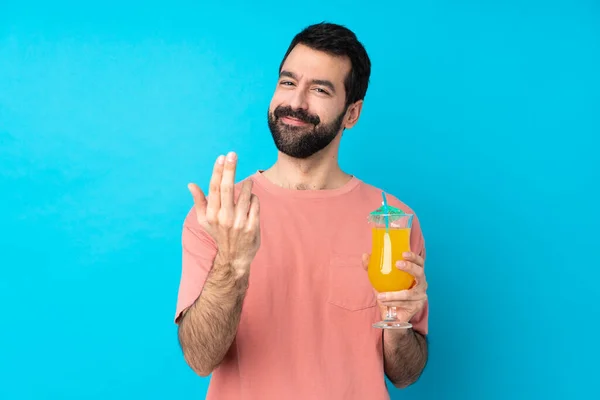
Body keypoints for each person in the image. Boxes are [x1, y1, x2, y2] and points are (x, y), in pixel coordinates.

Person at [174, 22, 429, 399]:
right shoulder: (220, 216)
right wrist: (232, 263)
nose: (296, 102)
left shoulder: (393, 220)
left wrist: (400, 325)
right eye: (288, 82)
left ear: (352, 113)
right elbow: (199, 358)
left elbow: (406, 374)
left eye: (320, 89)